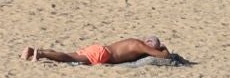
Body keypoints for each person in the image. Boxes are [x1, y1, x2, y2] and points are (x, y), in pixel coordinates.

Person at [23, 39, 176, 66]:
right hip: (102, 54)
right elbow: (164, 56)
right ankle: (40, 53)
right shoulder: (141, 45)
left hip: (99, 49)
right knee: (68, 58)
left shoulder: (134, 41)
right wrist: (163, 47)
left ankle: (31, 51)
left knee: (69, 55)